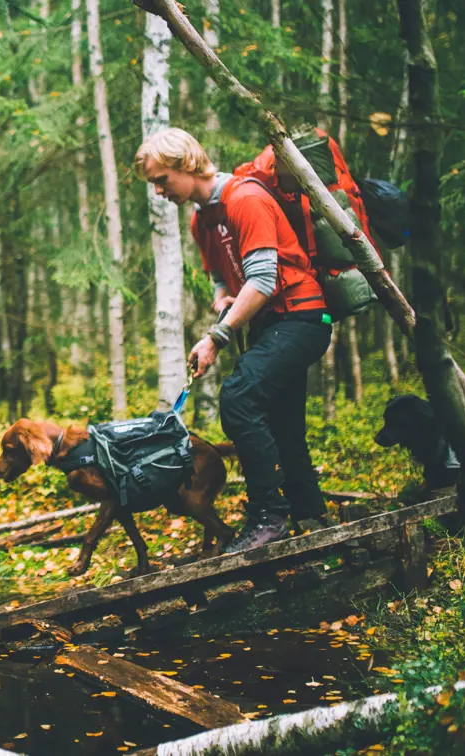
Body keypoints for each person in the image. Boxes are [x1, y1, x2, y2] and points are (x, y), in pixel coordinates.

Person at [135, 128, 332, 552]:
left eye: (161, 179)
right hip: (269, 325)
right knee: (283, 425)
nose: (158, 190)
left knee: (239, 399)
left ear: (186, 164)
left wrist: (216, 338)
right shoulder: (201, 219)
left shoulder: (246, 199)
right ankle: (310, 512)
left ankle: (268, 515)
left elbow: (262, 281)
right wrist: (223, 300)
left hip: (301, 318)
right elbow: (224, 280)